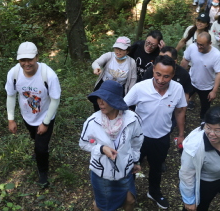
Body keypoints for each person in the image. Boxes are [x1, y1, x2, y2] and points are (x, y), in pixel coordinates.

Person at [124, 55, 187, 209]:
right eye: (158, 74)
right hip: (138, 137)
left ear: (173, 75)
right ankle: (127, 193)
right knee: (130, 165)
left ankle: (154, 191)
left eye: (166, 76)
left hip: (162, 137)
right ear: (153, 70)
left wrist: (181, 134)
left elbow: (180, 111)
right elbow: (123, 106)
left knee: (157, 168)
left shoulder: (177, 89)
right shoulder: (140, 88)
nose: (161, 80)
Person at [80, 81, 144, 211]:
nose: (100, 102)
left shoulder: (132, 119)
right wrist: (101, 149)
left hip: (125, 170)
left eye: (105, 99)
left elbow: (137, 141)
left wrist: (135, 160)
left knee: (130, 200)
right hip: (102, 174)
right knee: (103, 206)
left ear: (115, 101)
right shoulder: (92, 121)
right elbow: (83, 143)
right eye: (99, 98)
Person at [5, 42, 61, 187]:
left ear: (37, 57)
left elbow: (55, 100)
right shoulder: (14, 74)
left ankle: (43, 173)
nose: (26, 63)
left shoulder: (48, 75)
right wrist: (11, 119)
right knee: (34, 137)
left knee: (41, 148)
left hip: (45, 115)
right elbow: (11, 95)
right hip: (27, 116)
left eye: (30, 59)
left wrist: (46, 123)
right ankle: (38, 150)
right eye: (22, 60)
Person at [179, 32, 220, 120]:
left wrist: (214, 91)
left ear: (210, 43)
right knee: (182, 102)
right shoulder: (192, 47)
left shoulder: (216, 55)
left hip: (206, 87)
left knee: (205, 108)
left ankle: (203, 122)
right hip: (191, 81)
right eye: (198, 43)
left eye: (202, 45)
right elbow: (185, 60)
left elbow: (219, 73)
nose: (199, 47)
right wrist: (179, 77)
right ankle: (181, 119)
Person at [91, 37, 138, 110]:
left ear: (127, 51)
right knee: (100, 106)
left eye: (122, 49)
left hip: (119, 89)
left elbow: (132, 79)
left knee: (115, 109)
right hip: (104, 86)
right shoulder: (109, 56)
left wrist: (130, 94)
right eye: (117, 48)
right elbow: (96, 62)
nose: (118, 51)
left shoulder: (131, 62)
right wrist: (96, 67)